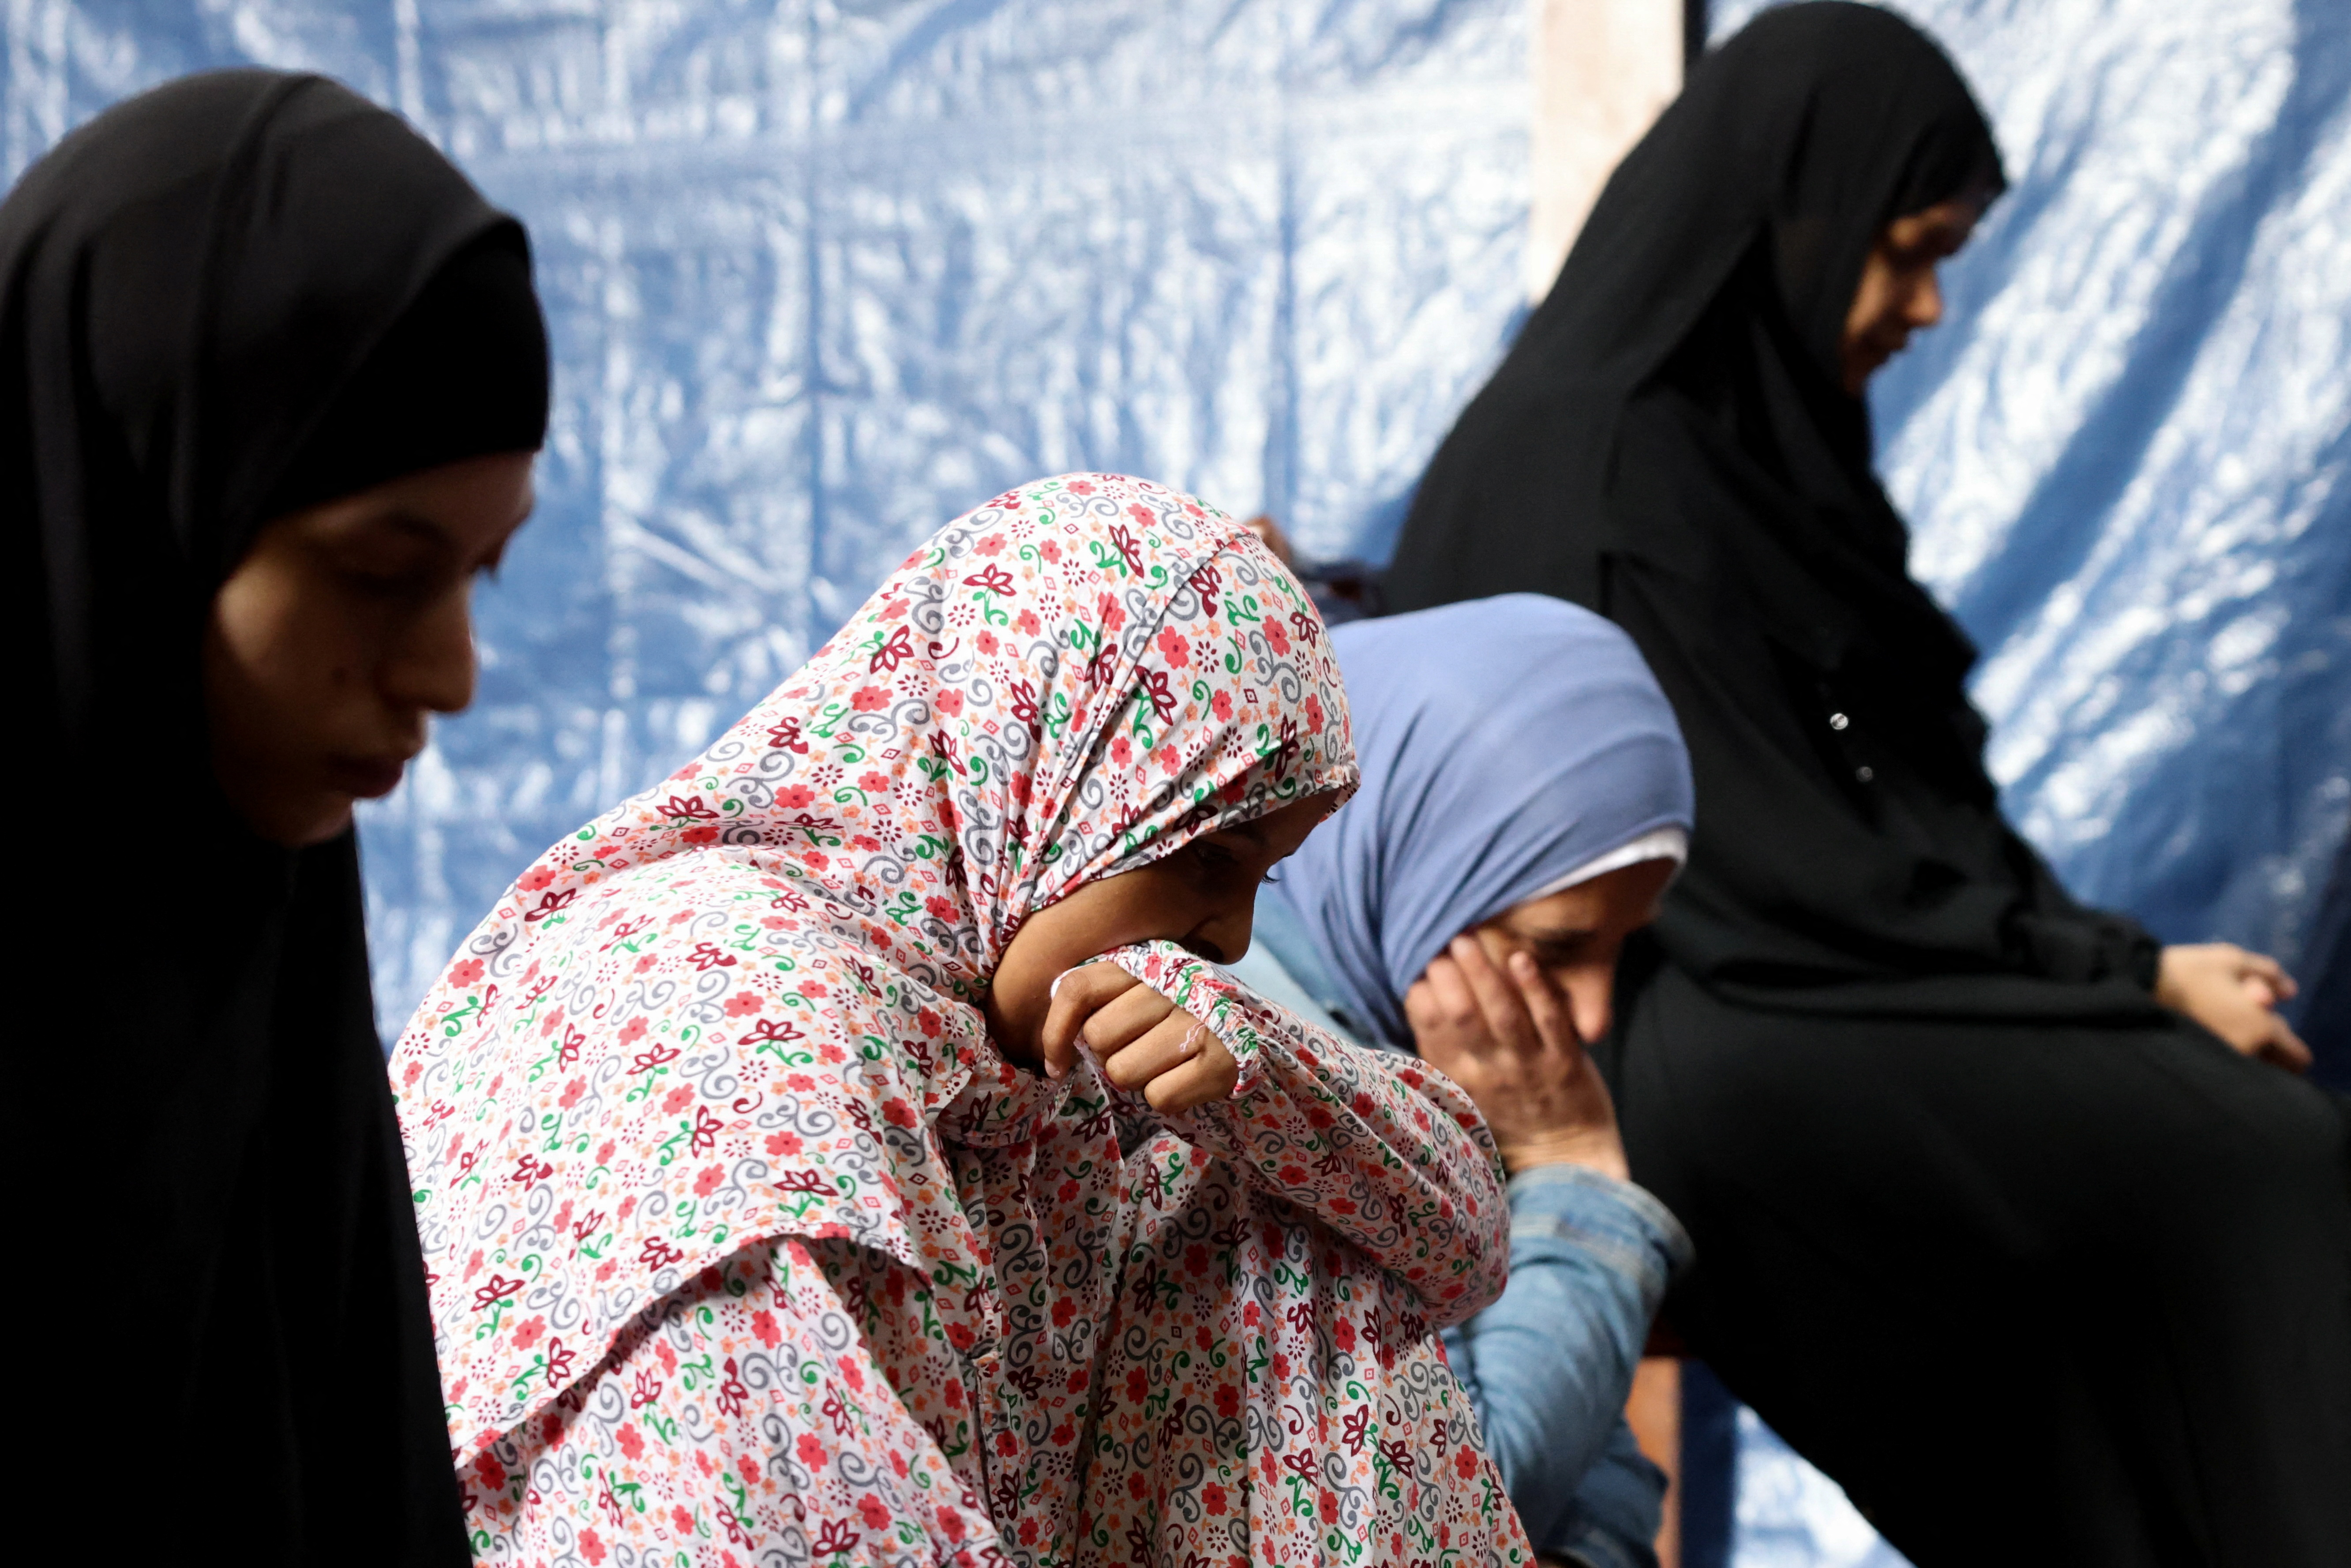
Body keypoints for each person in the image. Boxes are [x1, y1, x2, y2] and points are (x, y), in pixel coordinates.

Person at [1380, 4, 2351, 1564]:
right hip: (1652, 1030)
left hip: (1786, 982)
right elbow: (1771, 868)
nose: (1932, 304)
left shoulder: (1757, 452)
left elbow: (1901, 809)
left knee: (2207, 1178)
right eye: (1909, 250)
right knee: (2261, 1165)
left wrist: (2112, 968)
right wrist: (2129, 974)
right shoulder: (1610, 469)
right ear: (1796, 214)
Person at [394, 473, 1535, 1566]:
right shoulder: (736, 1023)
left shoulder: (1016, 1012)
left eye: (1264, 881)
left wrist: (1272, 1084)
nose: (1231, 939)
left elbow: (1459, 1248)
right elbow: (773, 1524)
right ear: (1032, 766)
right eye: (1203, 856)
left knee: (1277, 1221)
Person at [4, 71, 548, 1562]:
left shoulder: (269, 979)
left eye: (482, 576)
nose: (449, 673)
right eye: (381, 573)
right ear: (133, 515)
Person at [1227, 593, 1695, 1568]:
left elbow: (1603, 1475)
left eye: (1620, 951)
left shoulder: (1395, 1049)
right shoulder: (1241, 1074)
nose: (1595, 1014)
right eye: (1555, 948)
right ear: (1417, 858)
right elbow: (1445, 1506)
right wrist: (1574, 1178)